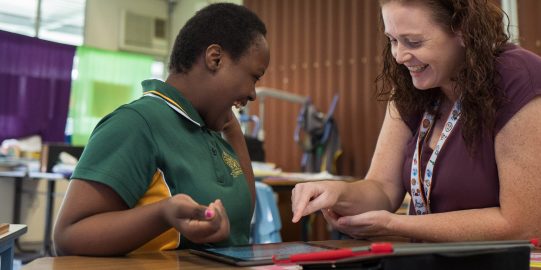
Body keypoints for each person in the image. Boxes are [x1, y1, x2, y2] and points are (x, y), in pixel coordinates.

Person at [292, 0, 541, 242]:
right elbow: (382, 188)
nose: (399, 56)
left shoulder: (517, 79)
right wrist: (337, 193)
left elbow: (522, 225)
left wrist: (396, 225)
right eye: (392, 40)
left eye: (413, 42)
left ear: (463, 29)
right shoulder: (412, 86)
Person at [54, 3, 270, 256]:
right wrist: (163, 213)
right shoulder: (136, 123)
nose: (253, 93)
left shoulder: (210, 126)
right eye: (254, 77)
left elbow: (242, 218)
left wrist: (232, 129)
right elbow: (68, 236)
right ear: (215, 58)